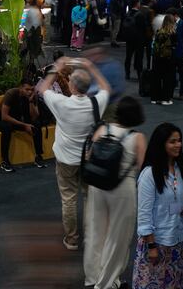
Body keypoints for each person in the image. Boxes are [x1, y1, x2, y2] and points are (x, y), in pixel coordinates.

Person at [36, 57, 112, 251]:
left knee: (68, 199)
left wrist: (57, 68)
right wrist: (91, 67)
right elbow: (106, 89)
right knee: (89, 197)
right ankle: (90, 236)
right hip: (89, 159)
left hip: (65, 159)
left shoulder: (61, 103)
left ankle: (71, 239)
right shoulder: (96, 103)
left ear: (71, 85)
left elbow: (42, 89)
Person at [83, 97, 147, 289]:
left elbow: (88, 156)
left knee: (95, 231)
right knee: (118, 237)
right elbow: (142, 168)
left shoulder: (103, 129)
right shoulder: (137, 138)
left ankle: (92, 278)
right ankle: (107, 283)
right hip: (122, 189)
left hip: (97, 185)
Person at [133, 122, 183, 289]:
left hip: (179, 239)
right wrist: (152, 246)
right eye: (173, 141)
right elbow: (144, 214)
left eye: (179, 140)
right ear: (161, 144)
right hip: (158, 241)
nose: (178, 145)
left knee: (176, 283)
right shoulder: (149, 174)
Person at [0, 80, 47, 172]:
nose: (29, 92)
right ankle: (5, 161)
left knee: (37, 125)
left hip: (17, 119)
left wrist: (31, 101)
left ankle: (38, 156)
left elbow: (34, 117)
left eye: (31, 89)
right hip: (3, 119)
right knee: (7, 128)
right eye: (27, 89)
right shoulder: (11, 93)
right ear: (20, 88)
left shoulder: (32, 96)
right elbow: (4, 116)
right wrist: (24, 125)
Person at [151, 15, 177, 105]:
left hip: (157, 57)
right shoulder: (173, 33)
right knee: (168, 78)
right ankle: (165, 99)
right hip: (168, 58)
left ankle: (154, 98)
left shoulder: (159, 31)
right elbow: (175, 46)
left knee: (156, 77)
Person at [168, 8, 183, 100]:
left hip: (181, 53)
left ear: (175, 15)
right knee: (170, 73)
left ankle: (182, 93)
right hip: (171, 53)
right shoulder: (169, 24)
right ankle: (169, 93)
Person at [123, 0, 146, 80]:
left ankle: (127, 73)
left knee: (128, 56)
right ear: (137, 4)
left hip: (129, 38)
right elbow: (144, 28)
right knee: (139, 57)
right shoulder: (140, 15)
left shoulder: (128, 13)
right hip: (139, 39)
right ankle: (139, 74)